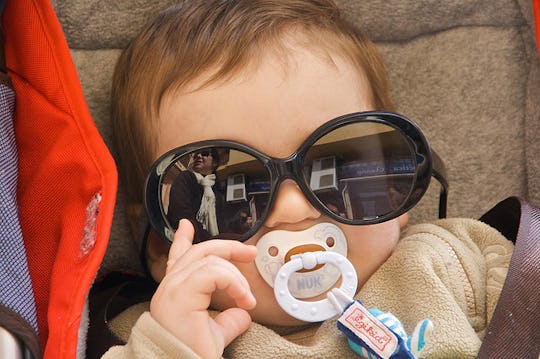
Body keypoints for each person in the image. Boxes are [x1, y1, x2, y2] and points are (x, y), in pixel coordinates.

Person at [101, 0, 514, 358]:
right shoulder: (166, 332)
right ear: (160, 242)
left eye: (336, 168)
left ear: (395, 183)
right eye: (232, 193)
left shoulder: (454, 263)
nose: (295, 210)